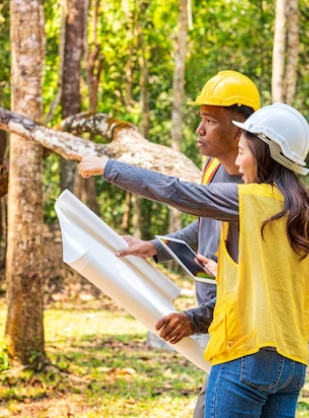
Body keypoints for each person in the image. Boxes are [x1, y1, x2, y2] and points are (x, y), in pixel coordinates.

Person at [76, 103, 309, 418]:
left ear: (264, 156)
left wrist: (109, 168)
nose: (237, 159)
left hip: (244, 355)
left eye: (244, 151)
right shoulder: (307, 216)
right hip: (291, 365)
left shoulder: (252, 200)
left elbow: (178, 191)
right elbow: (275, 288)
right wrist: (165, 252)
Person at [110, 70, 261, 417]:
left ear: (239, 129)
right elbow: (205, 225)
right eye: (200, 119)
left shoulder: (255, 187)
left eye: (210, 120)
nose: (200, 129)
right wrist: (155, 247)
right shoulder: (212, 168)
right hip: (216, 323)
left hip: (238, 332)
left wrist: (194, 319)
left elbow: (248, 290)